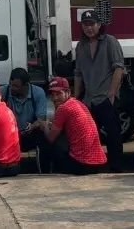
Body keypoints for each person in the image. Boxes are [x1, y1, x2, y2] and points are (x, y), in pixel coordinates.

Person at [73, 9, 126, 172]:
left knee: (113, 134)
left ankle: (116, 167)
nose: (89, 28)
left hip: (105, 97)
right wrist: (76, 98)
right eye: (85, 25)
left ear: (99, 25)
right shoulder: (80, 46)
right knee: (89, 134)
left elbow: (119, 68)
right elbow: (78, 74)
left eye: (92, 24)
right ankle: (92, 165)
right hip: (89, 99)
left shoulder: (110, 42)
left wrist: (112, 93)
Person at [41, 76, 107, 174]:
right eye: (52, 94)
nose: (54, 98)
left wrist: (43, 125)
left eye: (58, 94)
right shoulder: (78, 103)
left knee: (46, 141)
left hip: (81, 164)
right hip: (97, 162)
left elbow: (51, 137)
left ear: (68, 92)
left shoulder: (63, 108)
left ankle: (46, 173)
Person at [0, 68, 51, 169]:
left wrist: (32, 126)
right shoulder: (3, 92)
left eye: (16, 86)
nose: (12, 88)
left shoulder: (37, 93)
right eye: (11, 85)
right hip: (9, 136)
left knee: (44, 139)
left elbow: (41, 119)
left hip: (29, 133)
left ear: (26, 85)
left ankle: (45, 170)